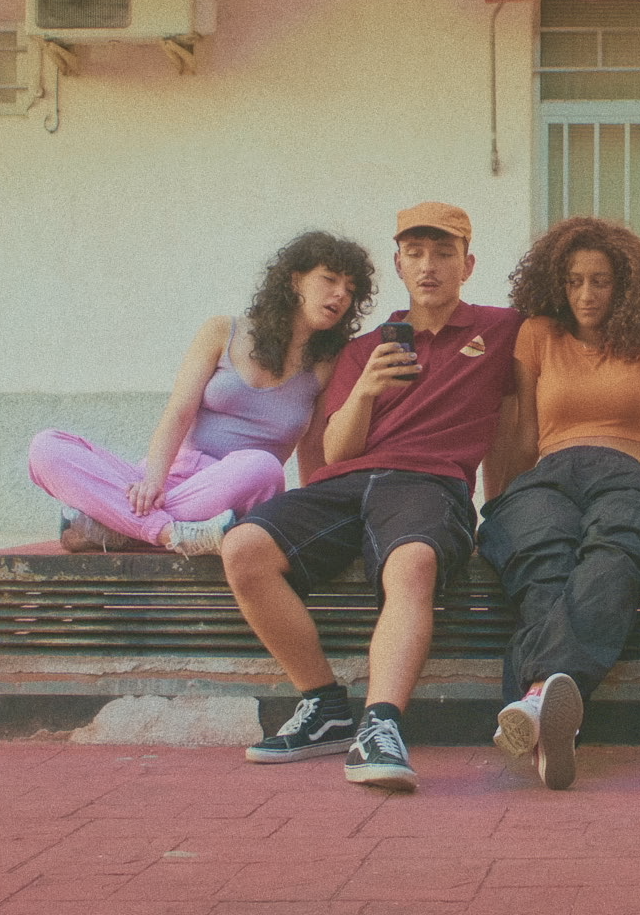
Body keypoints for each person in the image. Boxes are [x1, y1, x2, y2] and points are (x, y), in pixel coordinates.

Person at [219, 202, 524, 793]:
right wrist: (364, 391)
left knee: (412, 564)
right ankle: (324, 703)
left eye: (443, 253)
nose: (429, 266)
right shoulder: (363, 348)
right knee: (244, 549)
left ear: (469, 263)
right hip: (347, 482)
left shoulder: (503, 328)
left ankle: (381, 724)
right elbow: (334, 451)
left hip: (431, 483)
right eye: (415, 254)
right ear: (399, 264)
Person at [480, 217, 640, 790]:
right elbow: (526, 435)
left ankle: (535, 700)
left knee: (612, 557)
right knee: (542, 561)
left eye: (600, 281)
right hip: (548, 475)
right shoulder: (537, 334)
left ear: (623, 283)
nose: (586, 294)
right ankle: (547, 713)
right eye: (575, 280)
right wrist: (496, 505)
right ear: (558, 281)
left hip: (624, 473)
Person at [28, 232, 375, 557]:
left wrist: (315, 516)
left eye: (350, 289)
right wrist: (153, 482)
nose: (341, 294)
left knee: (265, 466)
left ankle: (117, 528)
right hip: (170, 481)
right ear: (294, 279)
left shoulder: (327, 365)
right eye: (330, 279)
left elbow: (313, 449)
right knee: (47, 446)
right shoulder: (223, 331)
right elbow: (179, 411)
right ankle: (170, 534)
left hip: (233, 491)